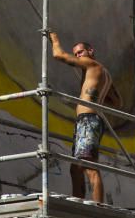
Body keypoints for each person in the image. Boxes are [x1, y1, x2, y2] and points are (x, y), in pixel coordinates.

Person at [49, 32, 122, 203]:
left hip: (89, 120)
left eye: (80, 52)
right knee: (76, 168)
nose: (78, 56)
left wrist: (53, 38)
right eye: (76, 54)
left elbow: (58, 55)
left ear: (91, 51)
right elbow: (118, 102)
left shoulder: (92, 65)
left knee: (89, 165)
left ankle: (97, 207)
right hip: (87, 120)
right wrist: (96, 99)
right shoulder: (102, 73)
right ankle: (78, 202)